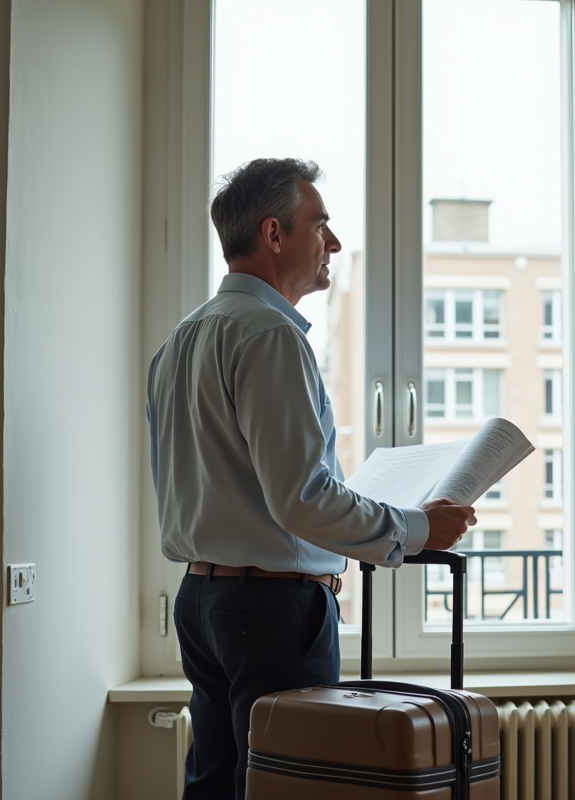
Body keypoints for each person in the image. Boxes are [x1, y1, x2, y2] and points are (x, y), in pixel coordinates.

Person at [146, 158, 476, 800]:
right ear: (274, 234)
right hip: (271, 612)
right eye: (320, 224)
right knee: (291, 786)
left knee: (215, 784)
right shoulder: (269, 336)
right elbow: (301, 499)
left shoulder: (179, 342)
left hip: (203, 602)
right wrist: (418, 528)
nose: (334, 242)